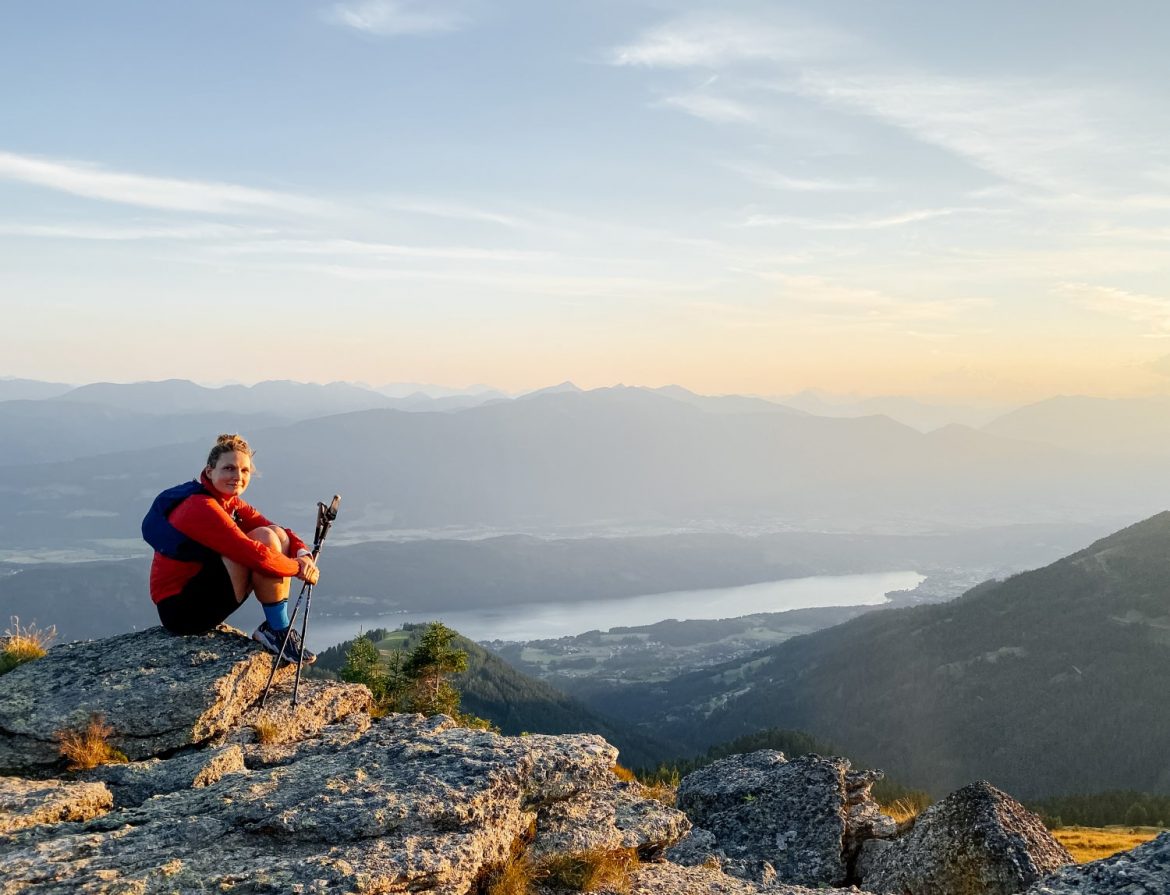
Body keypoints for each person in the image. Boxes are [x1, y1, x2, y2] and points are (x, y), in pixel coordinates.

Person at [142, 433, 319, 665]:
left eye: (244, 471)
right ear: (209, 472)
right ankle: (277, 630)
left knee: (275, 534)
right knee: (263, 541)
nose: (238, 476)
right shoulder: (200, 506)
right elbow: (254, 555)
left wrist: (303, 553)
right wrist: (298, 568)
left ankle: (277, 628)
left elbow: (275, 528)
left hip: (199, 591)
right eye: (229, 469)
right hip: (181, 611)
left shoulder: (229, 501)